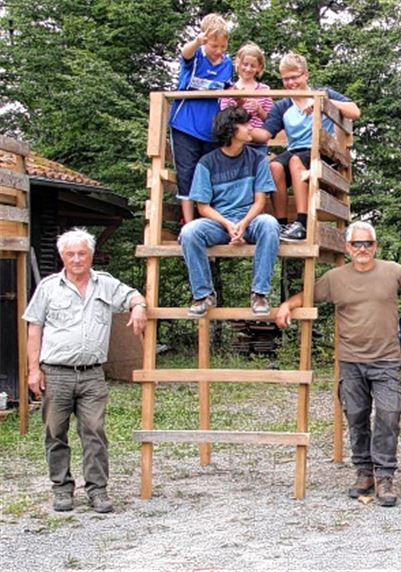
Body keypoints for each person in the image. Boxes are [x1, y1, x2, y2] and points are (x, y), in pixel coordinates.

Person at [275, 222, 401, 507]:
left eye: (367, 244)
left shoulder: (393, 271)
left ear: (375, 246)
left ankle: (385, 476)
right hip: (351, 361)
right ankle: (364, 472)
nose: (362, 249)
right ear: (348, 248)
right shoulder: (336, 278)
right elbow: (308, 295)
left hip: (386, 360)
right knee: (357, 417)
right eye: (357, 244)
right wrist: (288, 305)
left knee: (389, 413)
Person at [23, 229, 148, 513]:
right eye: (71, 254)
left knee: (94, 431)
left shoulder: (104, 284)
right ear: (62, 257)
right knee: (55, 432)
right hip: (55, 373)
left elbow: (133, 296)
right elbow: (34, 328)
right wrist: (33, 370)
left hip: (93, 374)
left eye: (82, 253)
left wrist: (139, 307)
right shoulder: (48, 287)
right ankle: (62, 489)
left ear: (91, 255)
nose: (77, 259)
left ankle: (98, 491)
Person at [179, 107, 280, 317]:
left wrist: (243, 224)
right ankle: (203, 295)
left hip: (250, 220)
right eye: (244, 124)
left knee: (270, 224)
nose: (250, 127)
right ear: (231, 130)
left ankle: (259, 293)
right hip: (219, 222)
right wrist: (228, 224)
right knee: (189, 232)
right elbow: (203, 206)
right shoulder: (207, 163)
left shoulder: (258, 159)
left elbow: (261, 200)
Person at [252, 52, 361, 242]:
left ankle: (302, 223)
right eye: (286, 79)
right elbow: (265, 134)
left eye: (295, 77)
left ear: (305, 75)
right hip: (296, 150)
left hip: (322, 152)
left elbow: (355, 111)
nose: (291, 83)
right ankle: (281, 223)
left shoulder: (322, 93)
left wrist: (322, 102)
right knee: (274, 166)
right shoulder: (283, 105)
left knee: (296, 162)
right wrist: (240, 133)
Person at [169, 13, 233, 224]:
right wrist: (197, 42)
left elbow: (230, 89)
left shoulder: (227, 64)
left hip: (212, 130)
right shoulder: (195, 56)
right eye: (214, 46)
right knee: (187, 173)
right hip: (185, 125)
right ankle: (188, 222)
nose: (219, 51)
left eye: (223, 47)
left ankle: (209, 222)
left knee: (209, 174)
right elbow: (184, 53)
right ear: (205, 41)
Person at [219, 42, 274, 156]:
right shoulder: (229, 90)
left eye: (253, 66)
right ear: (238, 63)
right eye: (245, 64)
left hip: (257, 145)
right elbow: (225, 116)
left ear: (259, 67)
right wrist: (239, 103)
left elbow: (270, 120)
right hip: (234, 142)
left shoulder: (264, 90)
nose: (248, 69)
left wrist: (259, 110)